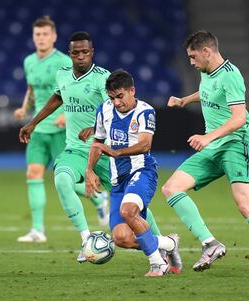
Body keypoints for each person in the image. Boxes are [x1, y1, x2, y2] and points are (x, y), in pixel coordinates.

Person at [162, 30, 249, 279]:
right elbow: (208, 93)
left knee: (245, 205)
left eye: (193, 57)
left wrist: (207, 137)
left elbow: (238, 119)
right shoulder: (208, 73)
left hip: (235, 143)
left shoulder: (231, 75)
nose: (191, 62)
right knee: (171, 189)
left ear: (207, 52)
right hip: (213, 146)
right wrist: (185, 100)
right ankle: (210, 244)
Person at [19, 32, 164, 263]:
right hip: (76, 150)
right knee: (62, 180)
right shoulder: (63, 75)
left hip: (106, 152)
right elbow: (58, 98)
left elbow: (118, 108)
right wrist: (33, 122)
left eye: (85, 52)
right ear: (70, 54)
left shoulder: (102, 78)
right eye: (75, 53)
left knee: (133, 205)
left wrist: (93, 127)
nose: (80, 57)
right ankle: (86, 239)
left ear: (92, 52)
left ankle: (161, 244)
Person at [85, 70, 182, 276]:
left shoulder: (145, 111)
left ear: (132, 91)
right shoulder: (104, 110)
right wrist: (90, 170)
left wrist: (117, 151)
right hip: (117, 180)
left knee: (128, 211)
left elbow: (145, 144)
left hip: (142, 172)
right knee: (121, 238)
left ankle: (158, 264)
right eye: (112, 98)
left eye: (120, 96)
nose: (117, 102)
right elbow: (98, 143)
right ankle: (168, 243)